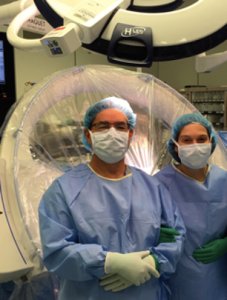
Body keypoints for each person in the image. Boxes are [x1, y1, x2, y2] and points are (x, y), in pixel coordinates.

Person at [38, 96, 185, 300]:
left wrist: (154, 262)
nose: (112, 133)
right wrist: (109, 262)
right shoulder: (64, 190)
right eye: (103, 126)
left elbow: (175, 234)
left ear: (130, 134)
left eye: (120, 126)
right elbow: (56, 251)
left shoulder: (153, 188)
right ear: (88, 135)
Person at [155, 112, 227, 300]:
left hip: (219, 276)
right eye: (187, 140)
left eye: (201, 139)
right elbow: (138, 227)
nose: (195, 145)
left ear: (211, 143)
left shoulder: (224, 179)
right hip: (178, 279)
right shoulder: (157, 184)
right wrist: (153, 233)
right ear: (175, 145)